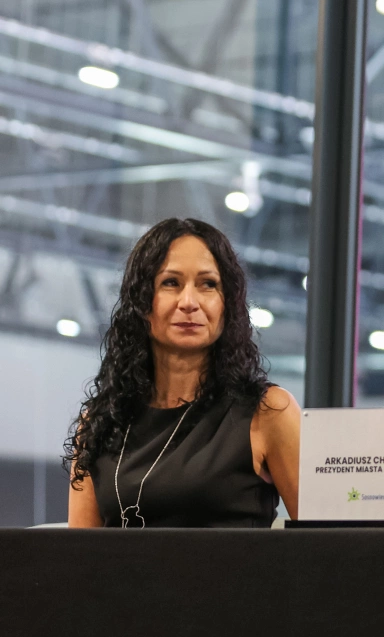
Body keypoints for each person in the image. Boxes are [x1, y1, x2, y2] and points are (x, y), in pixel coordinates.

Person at [66, 218, 301, 527]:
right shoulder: (100, 422)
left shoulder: (268, 411)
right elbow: (79, 551)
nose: (189, 302)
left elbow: (327, 543)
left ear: (227, 304)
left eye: (208, 284)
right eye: (171, 283)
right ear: (142, 302)